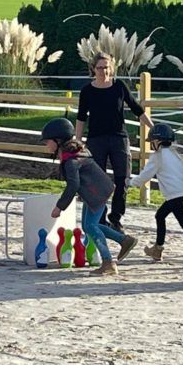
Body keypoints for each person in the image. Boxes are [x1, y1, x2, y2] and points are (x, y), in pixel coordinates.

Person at [41, 117, 139, 276]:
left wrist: (60, 207)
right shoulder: (75, 153)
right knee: (88, 226)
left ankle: (108, 262)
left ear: (58, 140)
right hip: (96, 192)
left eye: (47, 142)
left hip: (96, 193)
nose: (46, 145)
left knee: (91, 227)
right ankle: (124, 240)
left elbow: (73, 185)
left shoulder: (71, 160)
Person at [75, 52, 154, 233]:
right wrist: (78, 141)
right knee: (98, 180)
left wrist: (153, 128)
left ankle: (116, 217)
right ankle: (100, 217)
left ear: (112, 68)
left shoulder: (119, 86)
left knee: (122, 178)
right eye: (100, 68)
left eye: (107, 67)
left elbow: (137, 109)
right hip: (96, 140)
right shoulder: (87, 91)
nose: (104, 71)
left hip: (119, 138)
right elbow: (81, 117)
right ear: (93, 69)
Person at [127, 123, 183, 267]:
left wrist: (130, 182)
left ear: (158, 141)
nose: (151, 144)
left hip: (173, 194)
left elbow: (146, 174)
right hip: (180, 193)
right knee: (160, 216)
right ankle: (157, 249)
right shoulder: (175, 155)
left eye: (152, 141)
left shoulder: (157, 157)